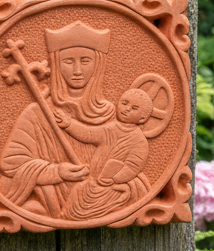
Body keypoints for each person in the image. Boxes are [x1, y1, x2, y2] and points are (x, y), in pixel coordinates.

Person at [0, 21, 118, 218]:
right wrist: (57, 172)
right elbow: (11, 163)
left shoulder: (110, 114)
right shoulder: (37, 113)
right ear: (56, 63)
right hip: (51, 206)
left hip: (101, 203)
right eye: (69, 62)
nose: (77, 70)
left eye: (86, 61)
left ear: (98, 65)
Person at [55, 87, 153, 221]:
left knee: (98, 202)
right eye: (124, 103)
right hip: (93, 182)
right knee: (78, 192)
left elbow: (133, 166)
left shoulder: (139, 141)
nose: (127, 109)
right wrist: (69, 124)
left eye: (134, 108)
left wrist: (115, 179)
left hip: (111, 186)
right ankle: (67, 217)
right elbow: (89, 134)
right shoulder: (111, 129)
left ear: (142, 118)